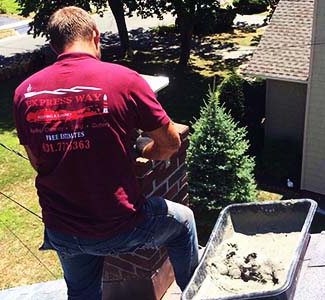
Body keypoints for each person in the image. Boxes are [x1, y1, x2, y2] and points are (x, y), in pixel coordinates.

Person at [13, 6, 199, 300]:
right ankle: (197, 293)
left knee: (82, 293)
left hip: (63, 229)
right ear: (95, 35)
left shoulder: (24, 93)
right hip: (121, 226)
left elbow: (38, 163)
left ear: (53, 46)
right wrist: (142, 149)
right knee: (184, 223)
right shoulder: (124, 80)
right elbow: (170, 143)